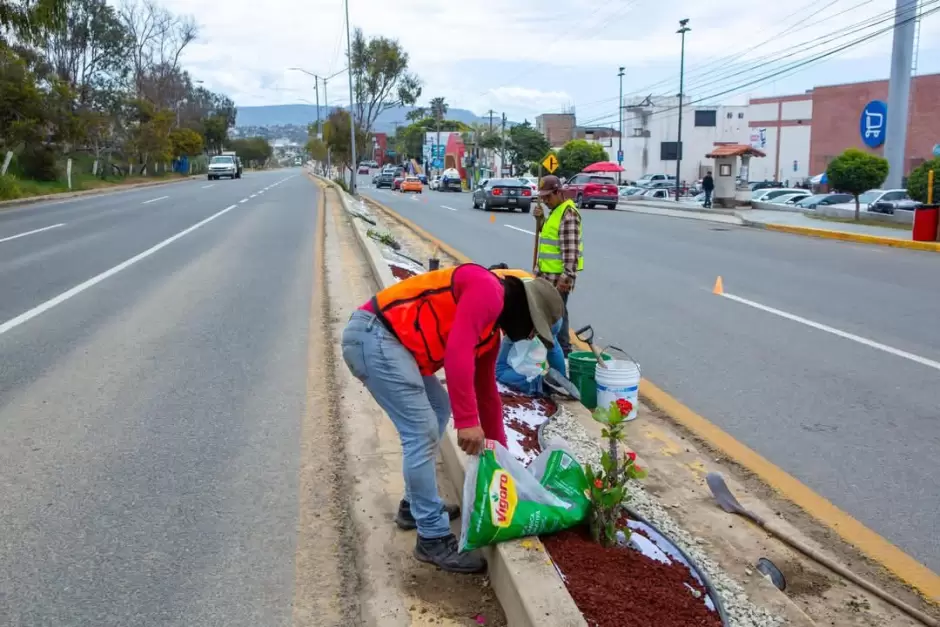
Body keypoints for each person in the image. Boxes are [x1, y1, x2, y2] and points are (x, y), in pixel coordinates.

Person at [341, 264, 564, 574]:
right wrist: (467, 421)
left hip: (390, 344)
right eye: (533, 328)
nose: (528, 336)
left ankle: (414, 506)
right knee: (422, 431)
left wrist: (498, 457)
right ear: (526, 309)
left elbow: (486, 393)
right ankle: (431, 538)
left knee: (437, 409)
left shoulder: (490, 333)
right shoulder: (488, 290)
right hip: (374, 336)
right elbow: (457, 352)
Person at [486, 266, 566, 396]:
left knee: (499, 369)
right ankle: (562, 382)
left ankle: (540, 384)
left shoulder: (490, 285)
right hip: (555, 315)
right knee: (553, 344)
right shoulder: (517, 276)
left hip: (531, 317)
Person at [532, 175, 583, 356]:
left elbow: (571, 250)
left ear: (558, 192)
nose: (545, 200)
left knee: (558, 318)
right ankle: (556, 350)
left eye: (548, 197)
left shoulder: (568, 214)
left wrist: (567, 276)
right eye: (543, 197)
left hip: (558, 279)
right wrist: (540, 220)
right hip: (546, 276)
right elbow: (549, 236)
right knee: (554, 315)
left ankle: (564, 352)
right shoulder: (556, 211)